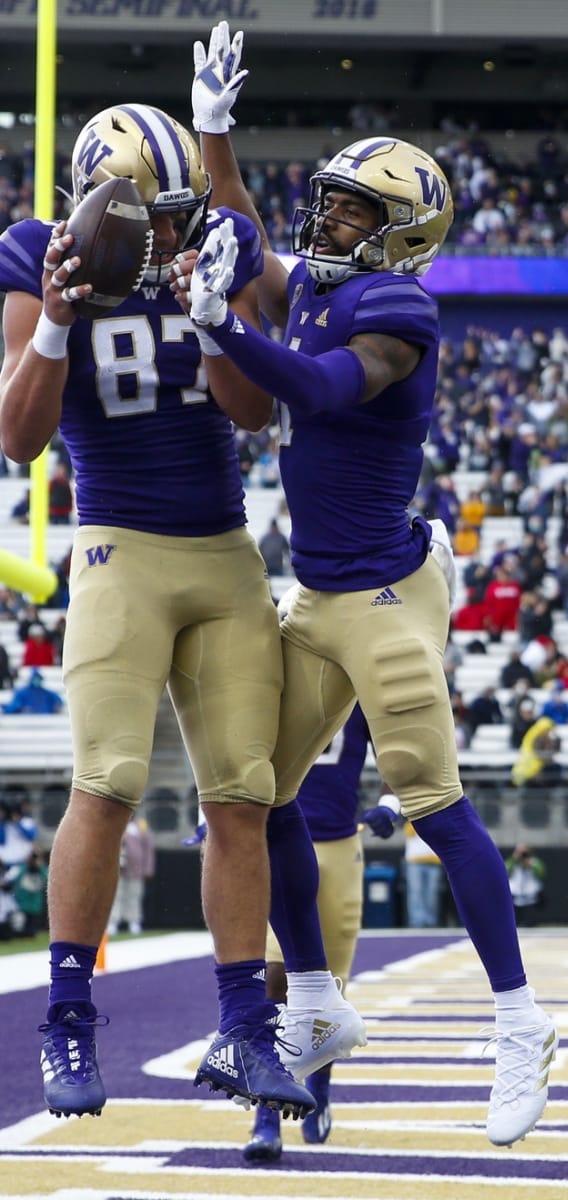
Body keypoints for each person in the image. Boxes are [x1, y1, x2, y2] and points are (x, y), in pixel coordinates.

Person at [178, 22, 557, 1146]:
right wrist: (212, 132)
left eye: (355, 210)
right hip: (315, 591)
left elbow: (323, 388)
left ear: (403, 239)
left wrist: (222, 334)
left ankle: (522, 1023)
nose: (330, 217)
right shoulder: (320, 282)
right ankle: (315, 1002)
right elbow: (245, 238)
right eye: (333, 199)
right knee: (264, 797)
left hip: (388, 597)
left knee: (435, 806)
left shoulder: (403, 312)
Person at [0, 99, 311, 1120]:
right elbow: (18, 438)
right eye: (155, 217)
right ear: (101, 208)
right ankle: (68, 1021)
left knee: (241, 794)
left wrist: (215, 314)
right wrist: (53, 315)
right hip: (118, 545)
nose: (173, 233)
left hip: (221, 547)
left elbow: (257, 410)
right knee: (109, 779)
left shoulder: (215, 239)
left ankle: (243, 1025)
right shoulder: (40, 253)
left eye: (181, 213)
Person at [240, 704, 399, 1163]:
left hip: (341, 841)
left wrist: (392, 801)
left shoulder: (357, 672)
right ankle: (266, 1114)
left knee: (331, 983)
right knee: (273, 976)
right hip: (278, 837)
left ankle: (320, 1086)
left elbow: (397, 745)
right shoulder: (274, 669)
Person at [107, 814, 155, 936]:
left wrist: (147, 868)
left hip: (136, 869)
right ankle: (113, 922)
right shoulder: (116, 822)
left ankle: (134, 921)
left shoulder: (141, 825)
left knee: (134, 895)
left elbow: (148, 848)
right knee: (116, 896)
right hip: (118, 868)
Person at [403, 818, 444, 928]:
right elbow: (409, 833)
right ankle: (417, 921)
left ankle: (430, 921)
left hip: (433, 862)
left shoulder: (436, 823)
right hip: (415, 863)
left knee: (431, 893)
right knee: (416, 892)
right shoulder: (411, 823)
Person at [506, 844, 546, 927]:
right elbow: (505, 871)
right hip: (515, 893)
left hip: (530, 895)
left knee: (530, 923)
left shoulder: (534, 862)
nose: (522, 855)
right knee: (514, 923)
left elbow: (541, 874)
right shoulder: (512, 862)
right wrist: (514, 859)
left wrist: (530, 865)